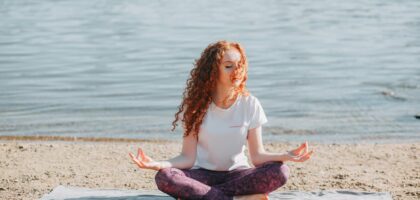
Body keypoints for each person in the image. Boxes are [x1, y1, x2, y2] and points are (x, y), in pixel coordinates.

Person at [129, 40, 314, 200]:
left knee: (280, 171)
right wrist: (158, 164)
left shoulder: (250, 103)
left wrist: (286, 155)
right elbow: (187, 158)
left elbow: (257, 157)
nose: (237, 71)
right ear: (212, 71)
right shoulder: (195, 105)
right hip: (202, 175)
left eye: (240, 65)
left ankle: (203, 197)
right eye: (228, 66)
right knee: (165, 177)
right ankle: (234, 199)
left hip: (239, 175)